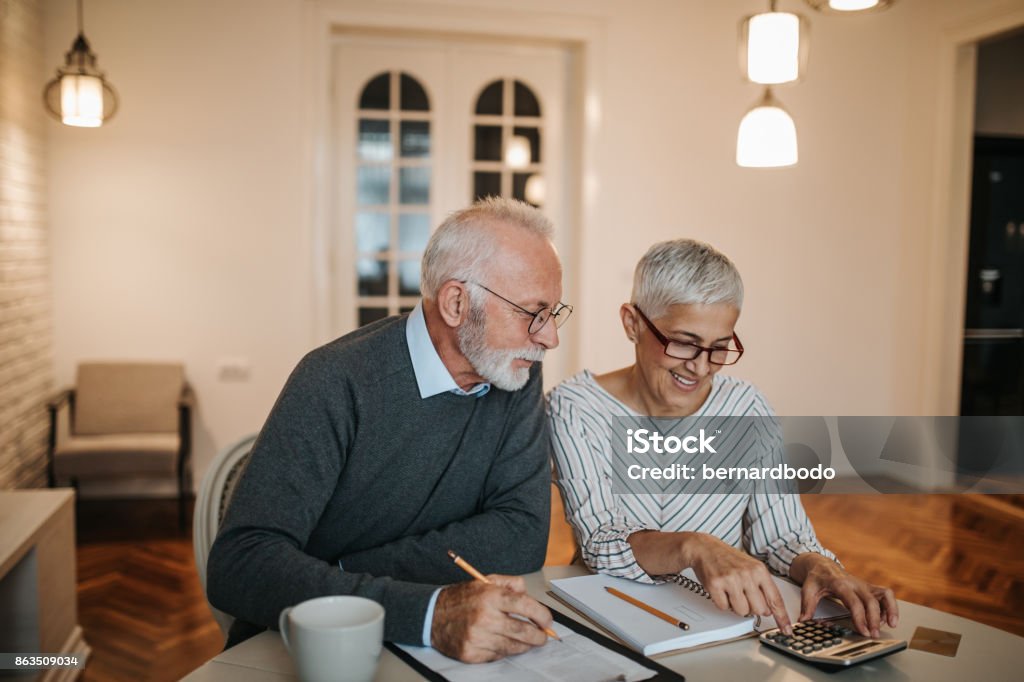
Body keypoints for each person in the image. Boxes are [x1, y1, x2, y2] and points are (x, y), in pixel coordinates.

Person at [208, 197, 573, 663]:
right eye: (532, 313)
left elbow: (520, 537)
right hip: (310, 650)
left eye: (554, 313)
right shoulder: (335, 380)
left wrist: (340, 574)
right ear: (457, 302)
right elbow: (240, 565)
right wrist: (426, 611)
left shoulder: (514, 373)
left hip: (432, 646)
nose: (549, 338)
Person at [548, 238, 898, 639]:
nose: (700, 368)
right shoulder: (575, 407)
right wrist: (694, 546)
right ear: (632, 323)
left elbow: (782, 536)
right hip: (612, 618)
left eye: (718, 348)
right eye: (684, 343)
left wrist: (822, 567)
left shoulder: (746, 408)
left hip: (723, 622)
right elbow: (600, 541)